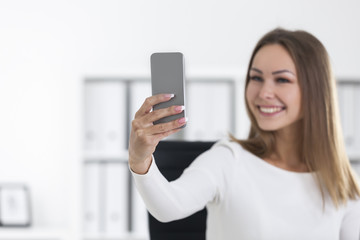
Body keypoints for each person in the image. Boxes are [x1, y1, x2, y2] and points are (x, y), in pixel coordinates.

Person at [128, 28, 360, 239]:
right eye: (256, 78)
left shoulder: (342, 184)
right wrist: (140, 160)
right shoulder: (228, 159)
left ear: (315, 91)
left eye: (282, 80)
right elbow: (169, 207)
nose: (264, 92)